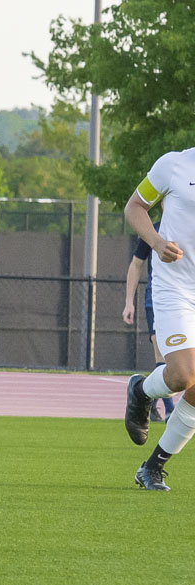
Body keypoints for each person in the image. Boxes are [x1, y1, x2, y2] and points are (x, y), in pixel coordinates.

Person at [122, 147, 195, 491]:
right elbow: (134, 207)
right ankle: (141, 390)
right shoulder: (174, 164)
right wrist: (155, 240)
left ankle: (152, 467)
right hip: (175, 287)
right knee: (183, 375)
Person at [123, 216, 174, 422]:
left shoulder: (189, 227)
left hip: (186, 301)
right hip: (157, 298)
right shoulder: (152, 231)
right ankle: (171, 411)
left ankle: (147, 399)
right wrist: (129, 302)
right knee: (161, 354)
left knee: (184, 365)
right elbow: (136, 264)